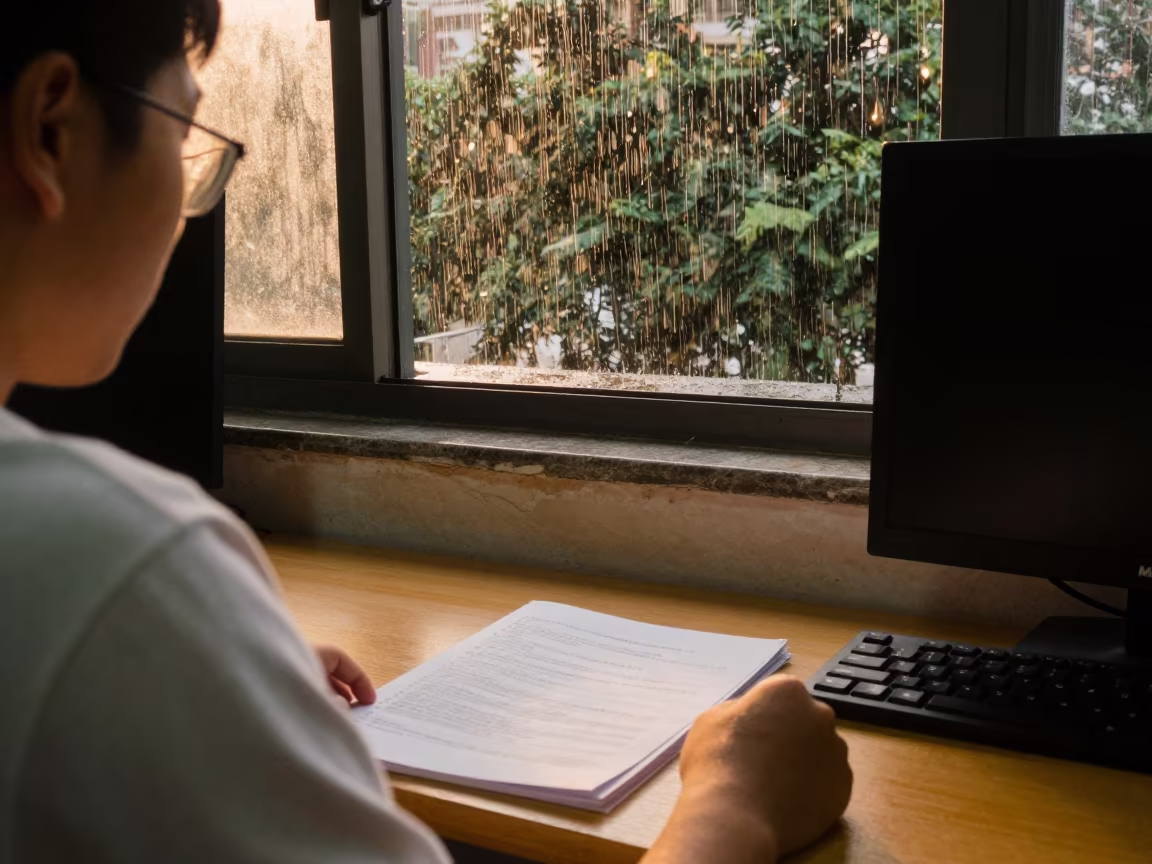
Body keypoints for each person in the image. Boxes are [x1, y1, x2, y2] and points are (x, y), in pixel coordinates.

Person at [0, 1, 852, 861]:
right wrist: (738, 803)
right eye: (182, 130)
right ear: (52, 132)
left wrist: (211, 671)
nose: (190, 204)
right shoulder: (113, 564)